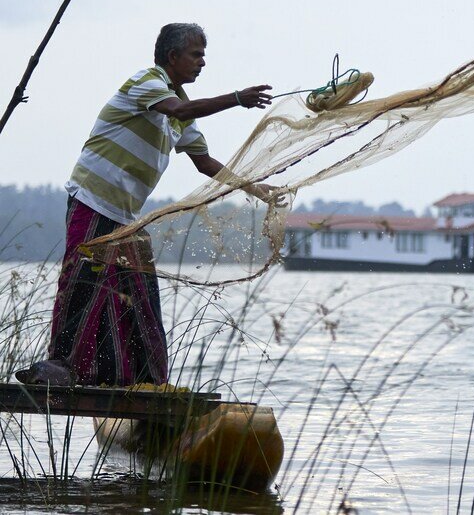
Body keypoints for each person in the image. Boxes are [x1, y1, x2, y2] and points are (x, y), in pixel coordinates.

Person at [16, 23, 280, 387]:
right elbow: (180, 110)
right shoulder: (148, 83)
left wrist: (256, 188)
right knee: (81, 283)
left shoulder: (182, 111)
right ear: (172, 56)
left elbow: (205, 162)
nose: (202, 63)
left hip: (125, 216)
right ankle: (59, 366)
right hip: (92, 199)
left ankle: (140, 379)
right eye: (196, 55)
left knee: (138, 294)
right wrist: (236, 98)